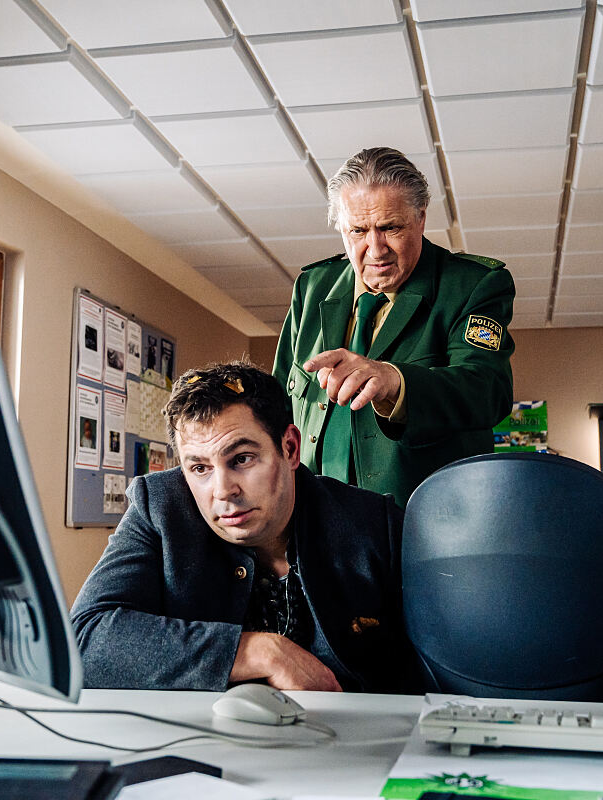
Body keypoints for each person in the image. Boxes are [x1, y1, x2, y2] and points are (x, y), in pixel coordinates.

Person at [69, 360, 417, 693]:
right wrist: (256, 652)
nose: (223, 491)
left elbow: (443, 672)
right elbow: (83, 638)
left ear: (290, 448)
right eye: (200, 468)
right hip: (204, 741)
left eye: (242, 459)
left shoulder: (377, 524)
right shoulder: (159, 508)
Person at [273, 147, 515, 508]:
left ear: (420, 218)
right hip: (313, 526)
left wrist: (395, 382)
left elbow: (487, 390)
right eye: (358, 230)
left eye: (390, 228)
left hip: (422, 526)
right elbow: (276, 403)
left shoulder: (471, 285)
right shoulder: (312, 287)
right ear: (341, 227)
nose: (375, 248)